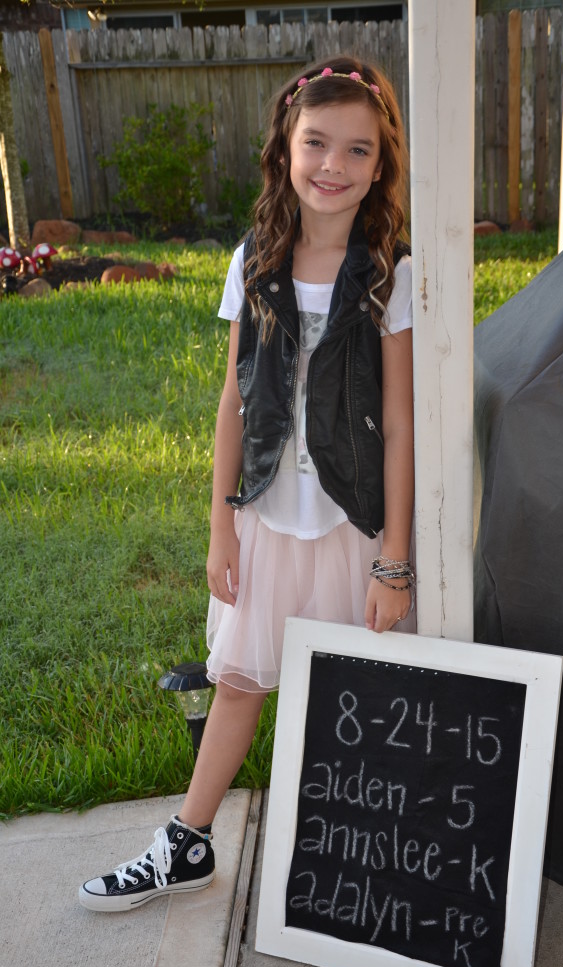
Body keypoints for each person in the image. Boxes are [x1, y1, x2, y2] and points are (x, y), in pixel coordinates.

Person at [79, 55, 415, 912]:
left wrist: (396, 560)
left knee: (352, 692)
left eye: (357, 151)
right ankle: (186, 844)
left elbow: (402, 420)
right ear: (284, 148)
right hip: (265, 510)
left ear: (381, 165)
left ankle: (357, 856)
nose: (332, 167)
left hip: (351, 523)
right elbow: (233, 400)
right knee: (238, 680)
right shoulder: (255, 258)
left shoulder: (389, 271)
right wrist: (221, 525)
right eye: (316, 144)